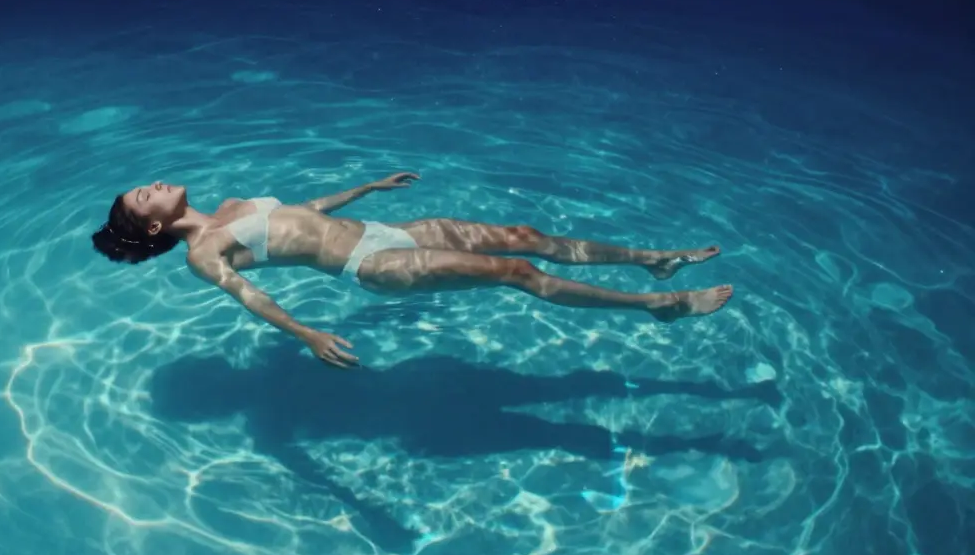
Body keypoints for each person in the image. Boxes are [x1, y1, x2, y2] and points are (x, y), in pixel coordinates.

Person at [92, 172, 732, 368]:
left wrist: (367, 189)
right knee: (513, 270)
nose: (153, 185)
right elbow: (249, 297)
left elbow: (302, 212)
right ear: (153, 227)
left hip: (383, 229)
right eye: (145, 197)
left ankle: (656, 261)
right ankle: (655, 307)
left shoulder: (233, 204)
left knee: (525, 237)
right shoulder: (205, 254)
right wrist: (309, 335)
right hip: (373, 261)